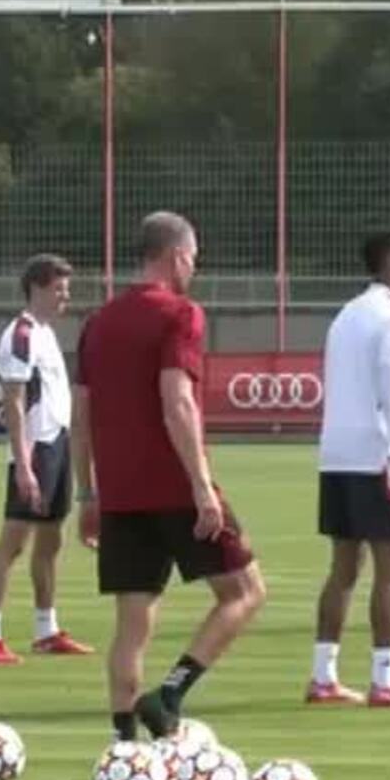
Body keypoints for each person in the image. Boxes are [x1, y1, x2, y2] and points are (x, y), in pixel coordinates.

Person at [72, 212, 266, 740]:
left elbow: (82, 413)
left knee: (132, 622)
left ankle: (124, 748)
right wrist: (202, 487)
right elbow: (177, 400)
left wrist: (87, 492)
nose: (194, 270)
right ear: (177, 255)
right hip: (174, 485)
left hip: (119, 493)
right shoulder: (180, 314)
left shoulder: (98, 323)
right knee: (245, 592)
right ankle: (171, 694)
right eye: (193, 260)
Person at [309, 233, 390, 707]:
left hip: (336, 454)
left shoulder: (346, 314)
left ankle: (323, 675)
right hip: (374, 455)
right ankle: (385, 679)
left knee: (343, 567)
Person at [0, 254, 95, 664]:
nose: (66, 297)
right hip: (36, 449)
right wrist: (24, 463)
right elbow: (13, 398)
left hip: (56, 443)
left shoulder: (43, 333)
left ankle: (46, 629)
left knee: (51, 540)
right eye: (59, 289)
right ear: (38, 288)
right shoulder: (21, 334)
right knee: (12, 543)